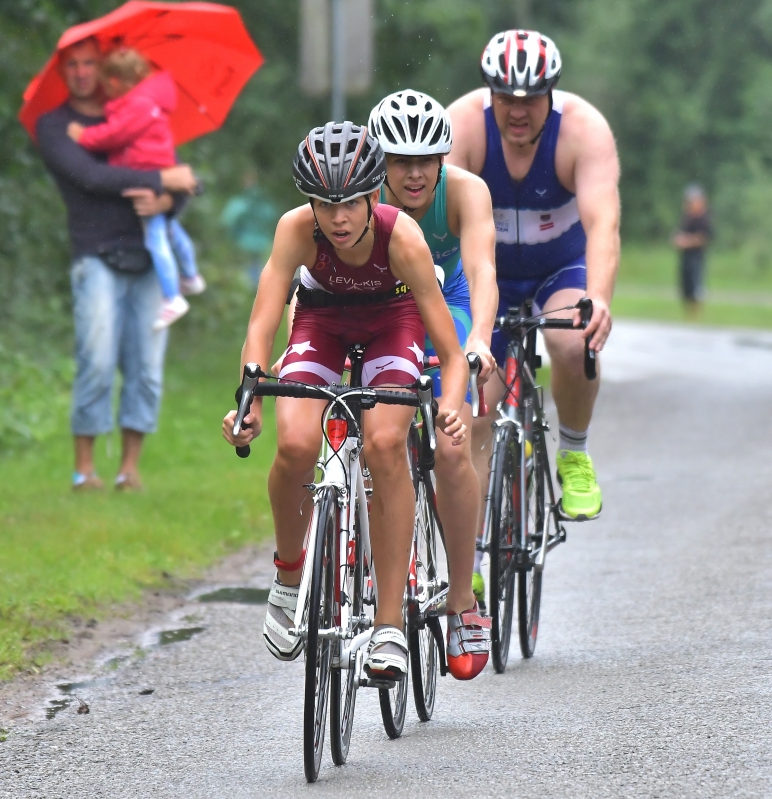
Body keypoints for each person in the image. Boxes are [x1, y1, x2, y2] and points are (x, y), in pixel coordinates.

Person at [221, 123, 469, 680]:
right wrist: (248, 401)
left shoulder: (403, 238)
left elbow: (451, 356)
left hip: (393, 322)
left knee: (385, 445)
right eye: (326, 205)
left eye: (350, 203)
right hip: (321, 321)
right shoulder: (295, 230)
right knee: (296, 444)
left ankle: (388, 625)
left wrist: (452, 404)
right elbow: (261, 325)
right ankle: (290, 577)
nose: (338, 219)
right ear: (310, 203)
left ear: (373, 195)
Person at [447, 29, 620, 522]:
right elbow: (438, 225)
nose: (517, 112)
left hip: (560, 268)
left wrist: (598, 298)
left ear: (551, 93)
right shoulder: (462, 126)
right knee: (474, 415)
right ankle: (473, 557)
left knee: (573, 342)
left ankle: (574, 453)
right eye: (506, 99)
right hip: (488, 275)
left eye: (530, 99)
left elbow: (603, 225)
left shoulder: (583, 129)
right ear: (490, 94)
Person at [366, 89, 497, 679]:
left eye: (425, 161)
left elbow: (482, 269)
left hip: (452, 306)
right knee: (371, 437)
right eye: (400, 162)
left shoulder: (466, 191)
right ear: (380, 163)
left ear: (443, 158)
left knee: (451, 446)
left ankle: (463, 599)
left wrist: (480, 339)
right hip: (384, 308)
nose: (414, 174)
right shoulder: (360, 197)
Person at [34, 37, 199, 491]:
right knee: (97, 359)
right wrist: (161, 179)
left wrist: (167, 198)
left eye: (90, 63)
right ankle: (84, 469)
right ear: (63, 72)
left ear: (105, 70)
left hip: (149, 257)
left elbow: (186, 181)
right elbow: (90, 176)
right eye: (73, 65)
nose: (82, 72)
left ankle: (129, 469)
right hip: (95, 253)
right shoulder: (56, 126)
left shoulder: (136, 110)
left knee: (146, 366)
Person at [66, 47, 205, 331]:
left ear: (115, 82)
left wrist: (84, 135)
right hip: (157, 167)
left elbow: (114, 134)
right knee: (172, 230)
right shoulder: (149, 101)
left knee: (156, 238)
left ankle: (172, 297)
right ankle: (191, 276)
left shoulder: (137, 105)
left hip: (148, 174)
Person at [220, 170, 278, 287]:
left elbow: (227, 221)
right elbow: (273, 219)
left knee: (243, 272)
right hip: (263, 243)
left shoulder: (239, 203)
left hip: (243, 243)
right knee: (261, 270)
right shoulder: (266, 204)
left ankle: (248, 289)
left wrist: (233, 235)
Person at [673, 184, 712, 318]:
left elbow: (703, 238)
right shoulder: (687, 217)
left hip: (696, 257)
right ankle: (689, 316)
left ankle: (697, 315)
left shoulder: (704, 218)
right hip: (686, 257)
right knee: (686, 287)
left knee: (696, 286)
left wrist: (686, 241)